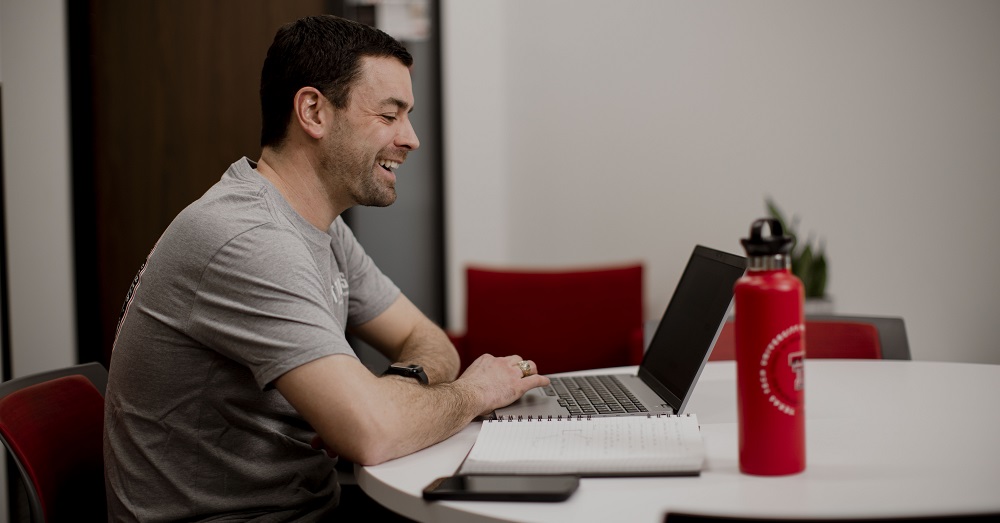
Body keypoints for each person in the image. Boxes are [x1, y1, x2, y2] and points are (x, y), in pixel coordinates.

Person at [104, 15, 549, 522]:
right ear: (313, 111)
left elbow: (430, 344)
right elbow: (371, 433)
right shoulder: (248, 239)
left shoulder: (323, 228)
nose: (412, 138)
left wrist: (393, 396)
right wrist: (474, 393)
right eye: (390, 114)